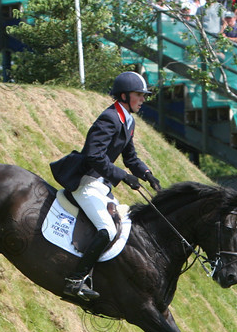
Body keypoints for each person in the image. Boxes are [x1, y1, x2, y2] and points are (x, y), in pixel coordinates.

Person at [50, 72, 162, 301]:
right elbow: (94, 155)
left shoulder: (127, 120)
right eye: (139, 95)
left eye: (143, 96)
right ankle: (75, 280)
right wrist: (123, 176)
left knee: (122, 226)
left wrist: (147, 174)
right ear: (124, 95)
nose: (143, 99)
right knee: (107, 229)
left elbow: (130, 158)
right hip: (86, 182)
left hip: (100, 185)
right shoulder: (109, 118)